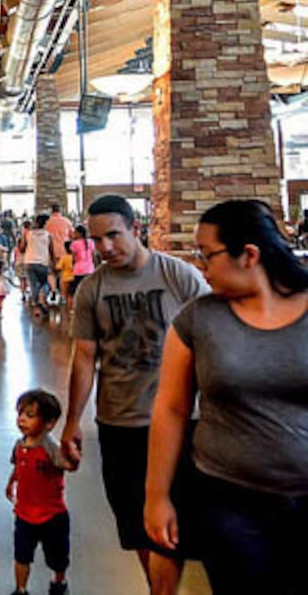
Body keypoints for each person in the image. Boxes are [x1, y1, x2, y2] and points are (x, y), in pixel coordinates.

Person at [145, 200, 308, 593]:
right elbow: (171, 409)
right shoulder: (197, 319)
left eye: (208, 256)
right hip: (230, 501)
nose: (201, 267)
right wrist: (157, 496)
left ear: (248, 255)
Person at [60, 195, 208, 595]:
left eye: (113, 235)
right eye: (96, 240)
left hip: (181, 424)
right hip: (118, 424)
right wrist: (73, 422)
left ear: (135, 229)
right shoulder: (92, 289)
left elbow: (214, 342)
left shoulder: (179, 276)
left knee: (169, 525)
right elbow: (85, 357)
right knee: (138, 527)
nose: (105, 248)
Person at [7, 389, 75, 595]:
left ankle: (59, 581)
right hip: (24, 515)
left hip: (52, 516)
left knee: (57, 557)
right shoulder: (19, 445)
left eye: (29, 415)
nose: (21, 420)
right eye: (20, 414)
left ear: (49, 423)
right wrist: (11, 482)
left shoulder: (51, 448)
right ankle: (21, 589)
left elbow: (68, 465)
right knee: (21, 555)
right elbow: (18, 466)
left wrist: (73, 457)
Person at [19, 215, 56, 314]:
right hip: (43, 262)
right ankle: (42, 296)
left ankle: (36, 307)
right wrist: (54, 264)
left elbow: (22, 248)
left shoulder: (28, 234)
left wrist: (24, 238)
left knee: (34, 284)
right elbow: (52, 251)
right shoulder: (48, 235)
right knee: (46, 283)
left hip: (29, 261)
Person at [69, 225, 96, 296]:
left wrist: (72, 266)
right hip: (90, 269)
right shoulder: (91, 242)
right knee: (90, 291)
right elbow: (93, 256)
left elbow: (74, 258)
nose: (74, 234)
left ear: (79, 233)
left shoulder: (74, 244)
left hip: (79, 270)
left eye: (75, 232)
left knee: (78, 291)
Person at [56, 242, 76, 314]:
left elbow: (58, 267)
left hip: (65, 278)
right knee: (72, 293)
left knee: (67, 294)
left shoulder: (64, 257)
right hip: (74, 277)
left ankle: (68, 308)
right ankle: (72, 308)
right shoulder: (75, 257)